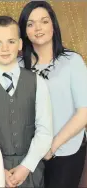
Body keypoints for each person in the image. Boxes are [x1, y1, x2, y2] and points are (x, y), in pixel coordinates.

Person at [0, 16, 53, 187]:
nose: (5, 48)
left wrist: (26, 167)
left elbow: (45, 131)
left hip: (30, 170)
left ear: (20, 44)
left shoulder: (37, 82)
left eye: (11, 41)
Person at [18, 1, 87, 188]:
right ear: (24, 30)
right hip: (28, 153)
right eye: (30, 23)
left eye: (44, 21)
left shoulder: (72, 61)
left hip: (65, 150)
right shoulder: (17, 65)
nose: (38, 28)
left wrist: (53, 146)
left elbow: (84, 112)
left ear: (53, 26)